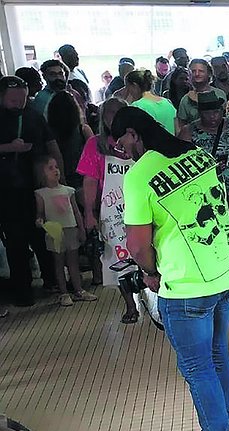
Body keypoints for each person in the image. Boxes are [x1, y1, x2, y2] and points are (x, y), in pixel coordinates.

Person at [112, 106, 229, 431]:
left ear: (134, 135)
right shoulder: (198, 154)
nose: (121, 149)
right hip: (226, 270)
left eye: (122, 140)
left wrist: (150, 274)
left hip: (186, 285)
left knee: (197, 366)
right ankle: (222, 421)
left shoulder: (140, 176)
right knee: (218, 352)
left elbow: (137, 246)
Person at [77, 97, 139, 323]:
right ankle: (130, 305)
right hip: (111, 212)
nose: (114, 117)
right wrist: (89, 213)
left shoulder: (139, 140)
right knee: (119, 258)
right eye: (109, 113)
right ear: (102, 118)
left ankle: (154, 298)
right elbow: (90, 181)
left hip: (142, 206)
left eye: (119, 112)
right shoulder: (95, 144)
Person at [0, 76, 59, 307]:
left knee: (40, 233)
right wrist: (9, 148)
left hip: (35, 185)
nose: (18, 103)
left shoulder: (33, 115)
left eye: (22, 99)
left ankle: (51, 281)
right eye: (13, 99)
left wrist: (59, 174)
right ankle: (22, 291)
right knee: (15, 241)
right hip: (6, 189)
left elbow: (50, 143)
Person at [34, 156, 95, 307]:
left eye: (56, 167)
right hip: (54, 233)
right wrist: (40, 220)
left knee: (73, 262)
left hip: (70, 229)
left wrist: (81, 229)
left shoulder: (69, 191)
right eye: (50, 168)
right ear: (42, 174)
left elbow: (75, 212)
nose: (55, 170)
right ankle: (64, 292)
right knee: (59, 262)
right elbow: (40, 212)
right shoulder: (41, 194)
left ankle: (79, 290)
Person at [176, 59, 226, 132]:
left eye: (201, 71)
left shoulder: (219, 94)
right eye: (193, 71)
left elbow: (226, 121)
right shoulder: (185, 100)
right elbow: (181, 126)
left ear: (209, 73)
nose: (197, 74)